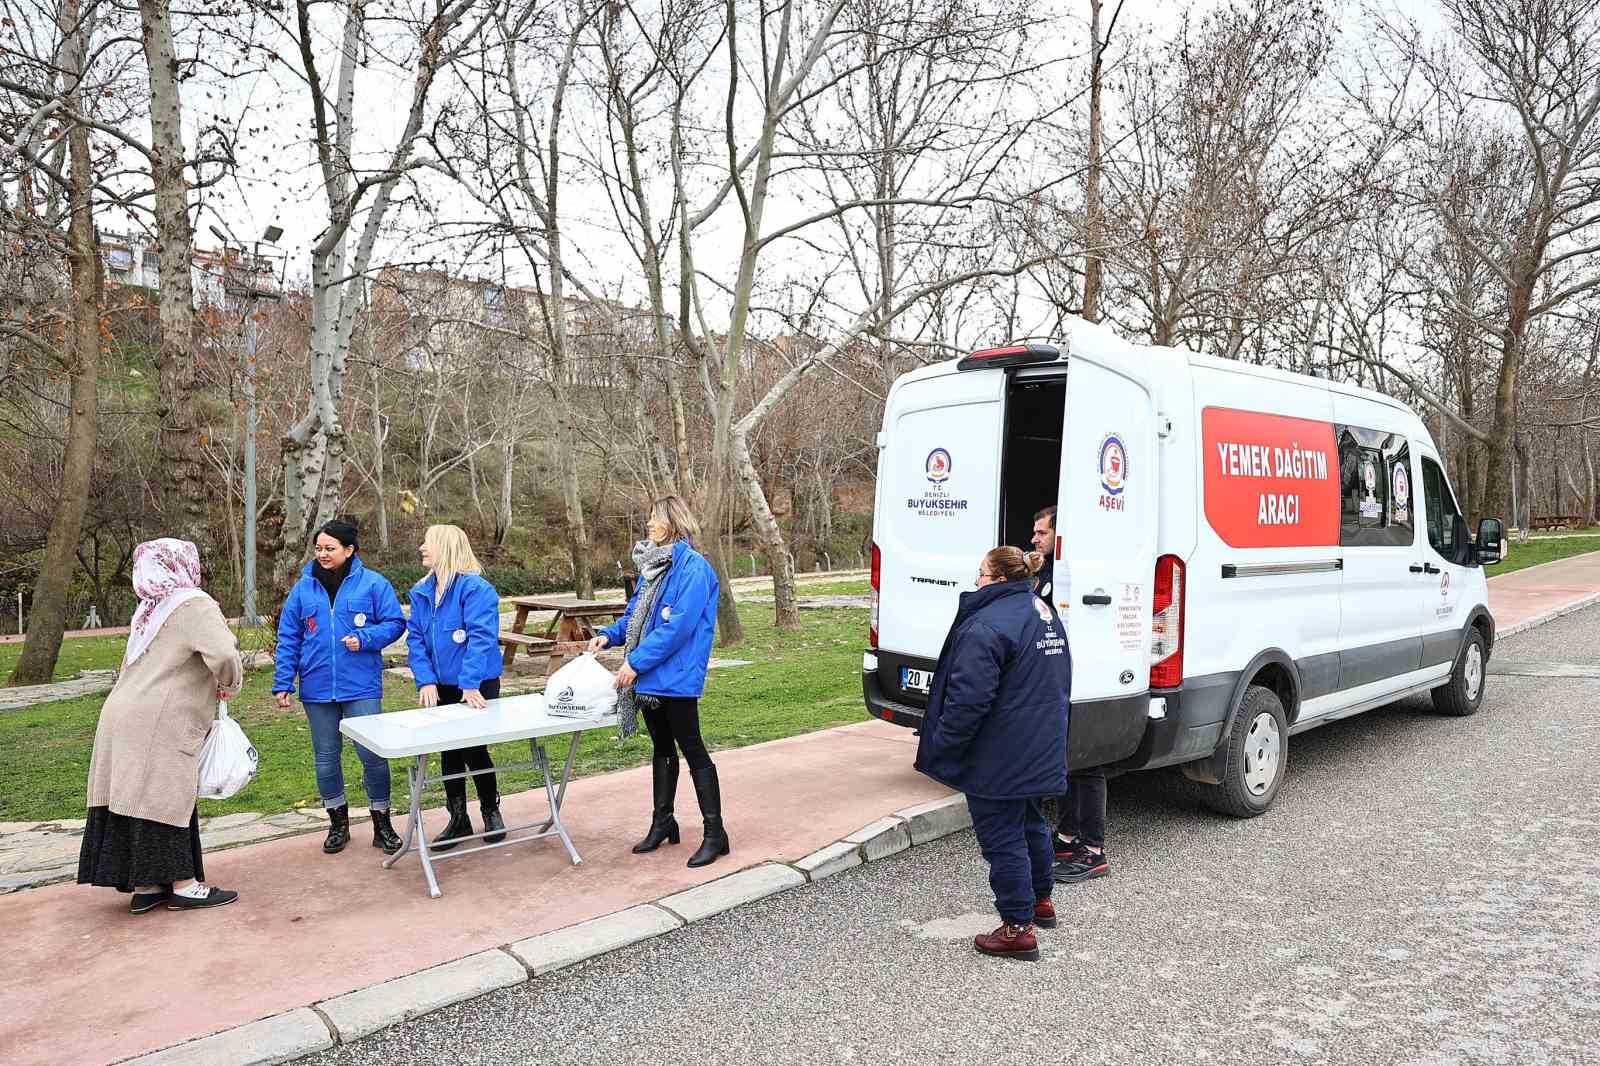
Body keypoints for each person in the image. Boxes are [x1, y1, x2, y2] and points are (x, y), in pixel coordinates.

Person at [914, 546, 1071, 961]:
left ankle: (1018, 928)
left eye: (981, 574)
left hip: (999, 751)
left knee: (1002, 837)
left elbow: (969, 700)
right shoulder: (1042, 611)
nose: (976, 581)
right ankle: (1040, 901)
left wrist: (944, 745)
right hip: (1038, 742)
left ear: (999, 579)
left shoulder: (986, 625)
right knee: (1031, 822)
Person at [78, 539, 243, 912]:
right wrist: (229, 684)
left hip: (121, 713)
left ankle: (148, 885)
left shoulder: (148, 610)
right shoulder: (195, 604)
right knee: (168, 797)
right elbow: (224, 653)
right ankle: (184, 885)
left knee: (136, 798)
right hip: (162, 717)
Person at [587, 495, 724, 867]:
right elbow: (636, 616)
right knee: (662, 748)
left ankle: (715, 834)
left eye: (654, 518)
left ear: (673, 521)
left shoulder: (694, 568)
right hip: (651, 678)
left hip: (676, 675)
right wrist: (608, 636)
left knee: (692, 749)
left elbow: (677, 627)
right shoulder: (654, 567)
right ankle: (663, 822)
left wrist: (635, 662)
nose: (649, 524)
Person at [273, 520, 407, 855]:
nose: (322, 554)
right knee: (326, 759)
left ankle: (382, 825)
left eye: (329, 548)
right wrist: (283, 682)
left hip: (361, 686)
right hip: (317, 688)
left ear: (349, 550)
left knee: (372, 756)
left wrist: (365, 638)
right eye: (318, 548)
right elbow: (288, 637)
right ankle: (338, 825)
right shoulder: (303, 589)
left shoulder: (373, 583)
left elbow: (394, 623)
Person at [406, 524, 506, 850]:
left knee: (475, 749)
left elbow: (481, 638)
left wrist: (470, 684)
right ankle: (458, 819)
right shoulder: (422, 592)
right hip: (441, 685)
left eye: (428, 543)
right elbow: (416, 640)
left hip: (477, 685)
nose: (422, 548)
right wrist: (425, 679)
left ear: (445, 548)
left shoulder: (476, 589)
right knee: (449, 752)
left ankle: (490, 811)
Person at [1033, 504, 1111, 882]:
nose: (1035, 538)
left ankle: (1094, 851)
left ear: (1059, 535)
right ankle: (1065, 837)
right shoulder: (1045, 572)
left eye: (1042, 532)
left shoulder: (1078, 573)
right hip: (1056, 677)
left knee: (1088, 763)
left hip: (1082, 675)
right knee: (1065, 760)